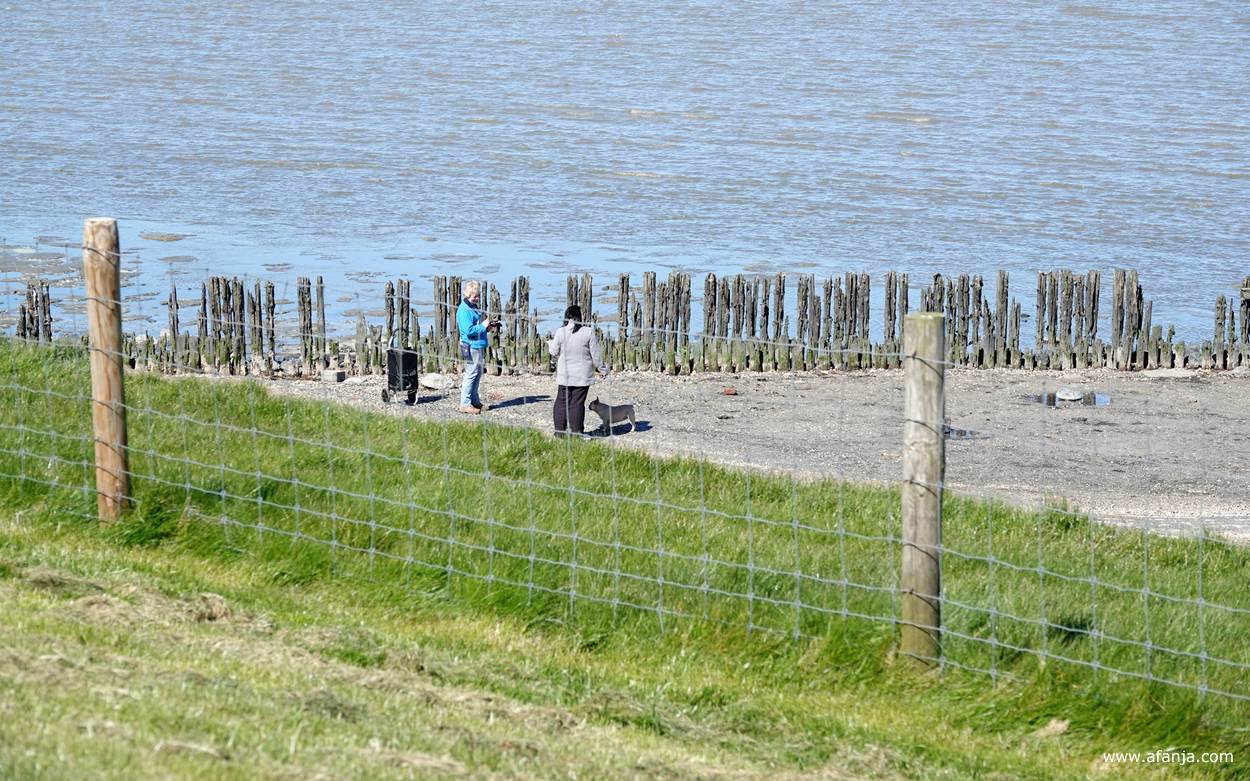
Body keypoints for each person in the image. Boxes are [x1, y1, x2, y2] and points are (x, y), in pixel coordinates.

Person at [547, 304, 608, 436]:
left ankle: (559, 431)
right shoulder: (588, 332)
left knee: (561, 401)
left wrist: (550, 343)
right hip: (582, 375)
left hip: (565, 375)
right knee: (577, 403)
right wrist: (602, 370)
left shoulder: (560, 332)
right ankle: (576, 432)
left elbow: (553, 351)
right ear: (580, 317)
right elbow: (596, 356)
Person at [456, 281, 492, 414]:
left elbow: (476, 327)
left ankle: (474, 401)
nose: (476, 298)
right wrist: (483, 326)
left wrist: (487, 327)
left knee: (477, 374)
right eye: (473, 296)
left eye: (477, 296)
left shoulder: (472, 307)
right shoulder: (464, 310)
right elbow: (468, 330)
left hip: (478, 344)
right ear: (467, 294)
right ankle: (465, 403)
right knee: (471, 373)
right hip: (471, 346)